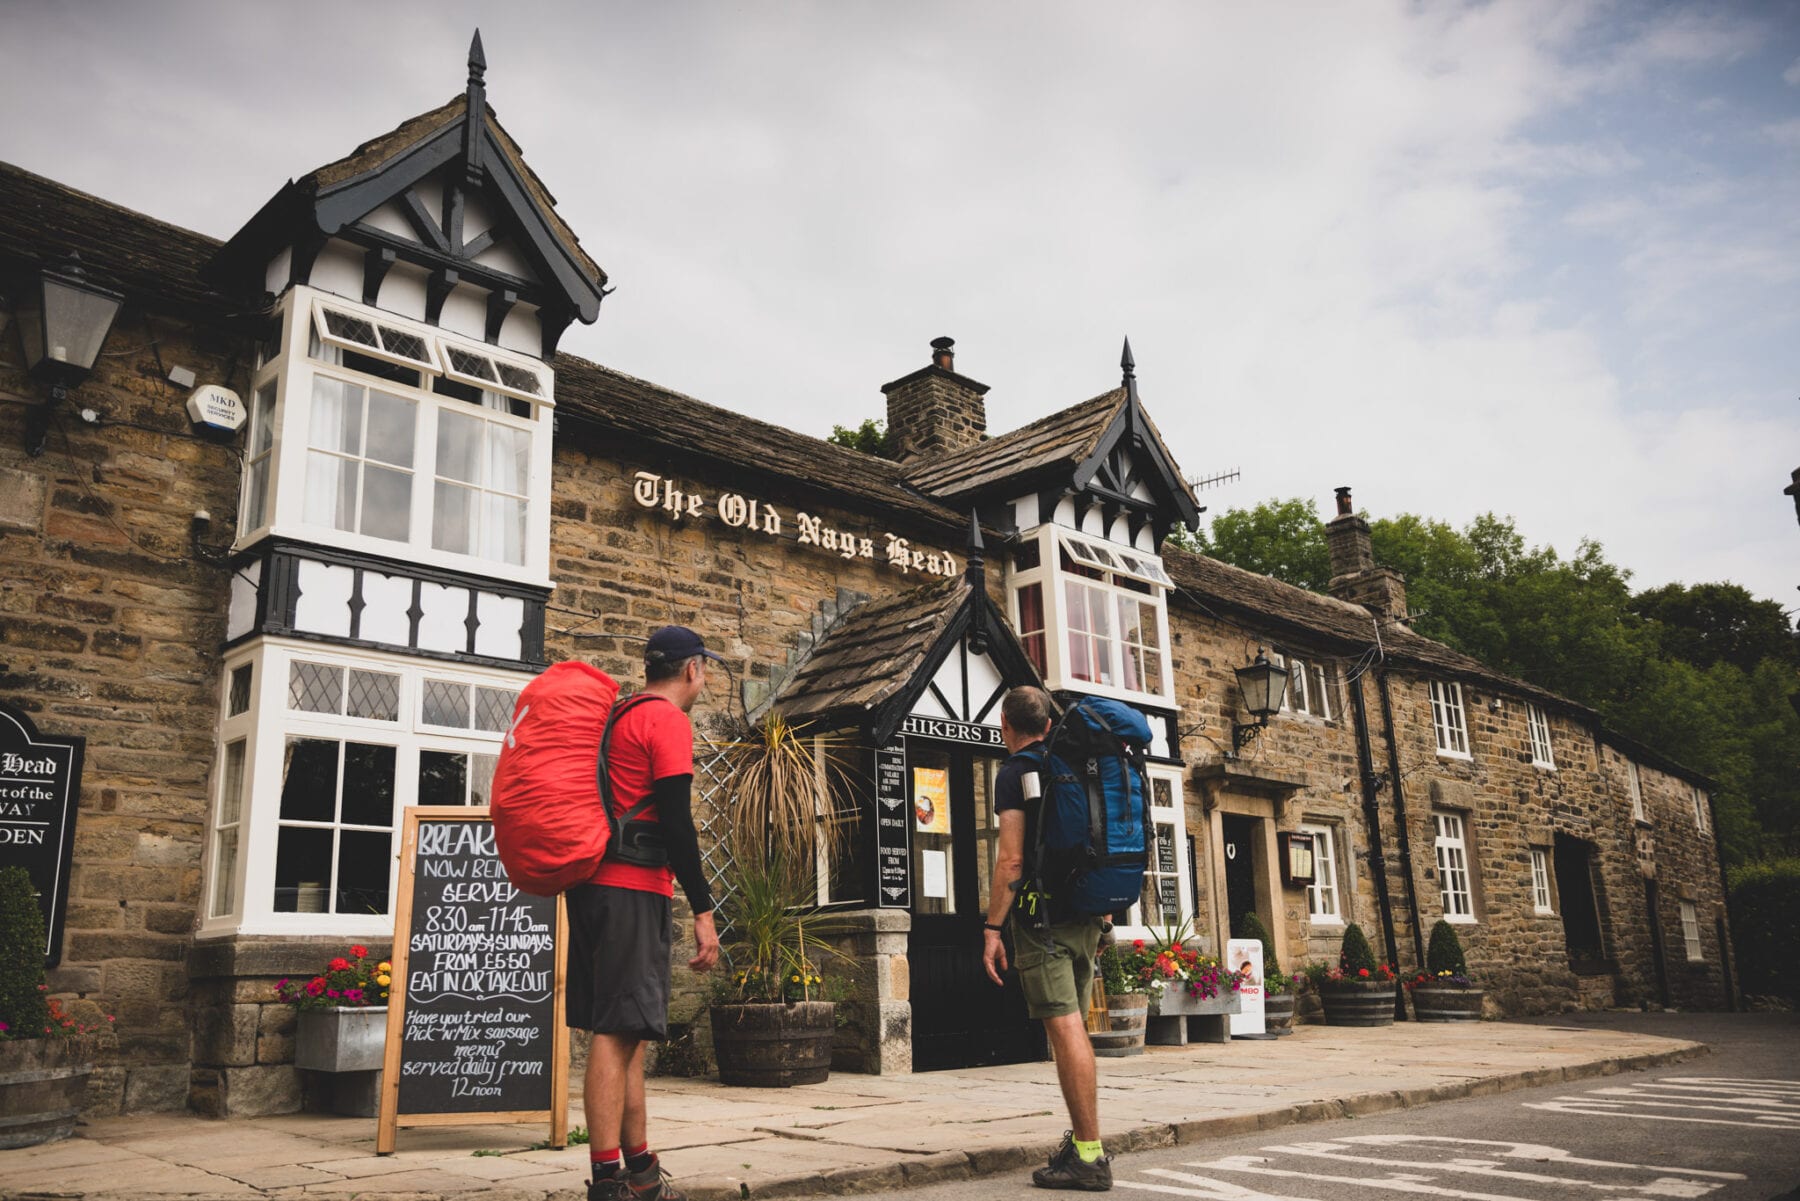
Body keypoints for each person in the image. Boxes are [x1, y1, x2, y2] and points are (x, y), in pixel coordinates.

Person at [569, 625, 723, 1201]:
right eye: (704, 670)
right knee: (615, 1032)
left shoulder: (619, 717)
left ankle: (640, 1172)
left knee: (627, 1029)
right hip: (632, 887)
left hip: (592, 888)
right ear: (693, 670)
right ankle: (607, 1181)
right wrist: (703, 910)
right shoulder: (666, 721)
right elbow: (679, 825)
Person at [981, 685, 1112, 1191]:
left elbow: (1011, 861)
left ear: (1005, 726)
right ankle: (1083, 1144)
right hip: (1086, 915)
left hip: (1043, 922)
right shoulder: (1078, 764)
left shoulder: (1014, 772)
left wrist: (993, 929)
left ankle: (1090, 1156)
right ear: (1049, 724)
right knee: (1073, 1028)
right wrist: (1104, 918)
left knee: (1065, 1030)